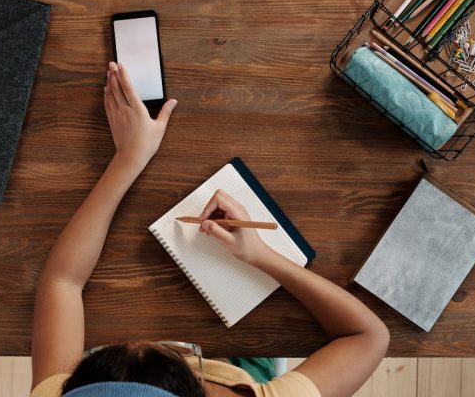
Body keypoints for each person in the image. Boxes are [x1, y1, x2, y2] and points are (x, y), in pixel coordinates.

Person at [30, 61, 390, 397]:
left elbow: (62, 281)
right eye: (165, 352)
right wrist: (263, 255)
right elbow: (368, 336)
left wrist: (129, 157)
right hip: (242, 376)